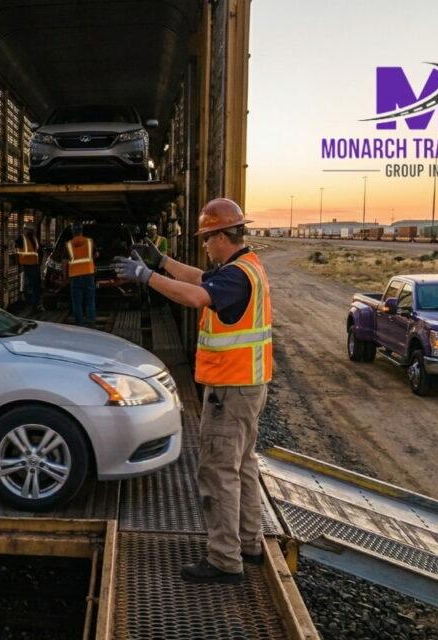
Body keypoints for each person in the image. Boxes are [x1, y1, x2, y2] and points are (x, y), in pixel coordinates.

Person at [113, 198, 272, 584]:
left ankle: (223, 560)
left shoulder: (235, 276)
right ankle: (249, 544)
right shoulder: (245, 268)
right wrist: (161, 263)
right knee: (243, 465)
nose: (204, 244)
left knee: (218, 472)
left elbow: (197, 296)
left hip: (230, 390)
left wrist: (145, 277)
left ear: (221, 235)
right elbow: (202, 279)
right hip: (248, 386)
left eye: (206, 238)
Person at [63, 222, 97, 327]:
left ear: (72, 232)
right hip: (88, 274)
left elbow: (64, 262)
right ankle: (91, 322)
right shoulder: (90, 242)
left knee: (77, 302)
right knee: (90, 300)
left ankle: (79, 323)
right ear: (82, 231)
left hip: (75, 276)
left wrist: (65, 276)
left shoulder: (68, 245)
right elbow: (96, 254)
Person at [15, 222, 44, 311]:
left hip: (30, 265)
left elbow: (16, 249)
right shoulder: (29, 238)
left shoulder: (23, 238)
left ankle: (33, 305)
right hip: (31, 265)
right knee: (33, 286)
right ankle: (33, 305)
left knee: (32, 286)